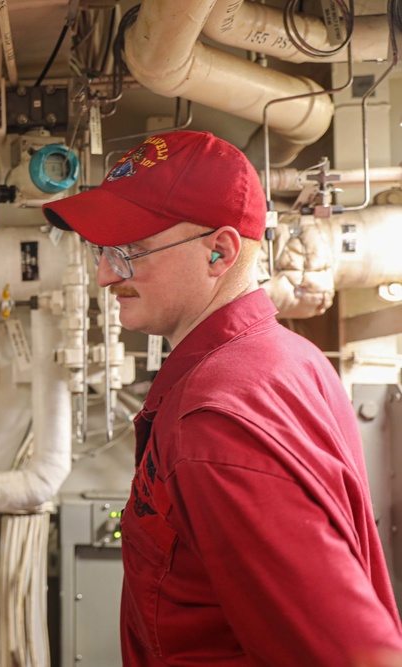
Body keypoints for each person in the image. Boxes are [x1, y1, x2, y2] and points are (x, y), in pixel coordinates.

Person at [42, 130, 402, 665]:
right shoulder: (287, 356)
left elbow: (354, 654)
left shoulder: (215, 419)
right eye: (102, 250)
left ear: (220, 251)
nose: (103, 275)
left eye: (128, 250)